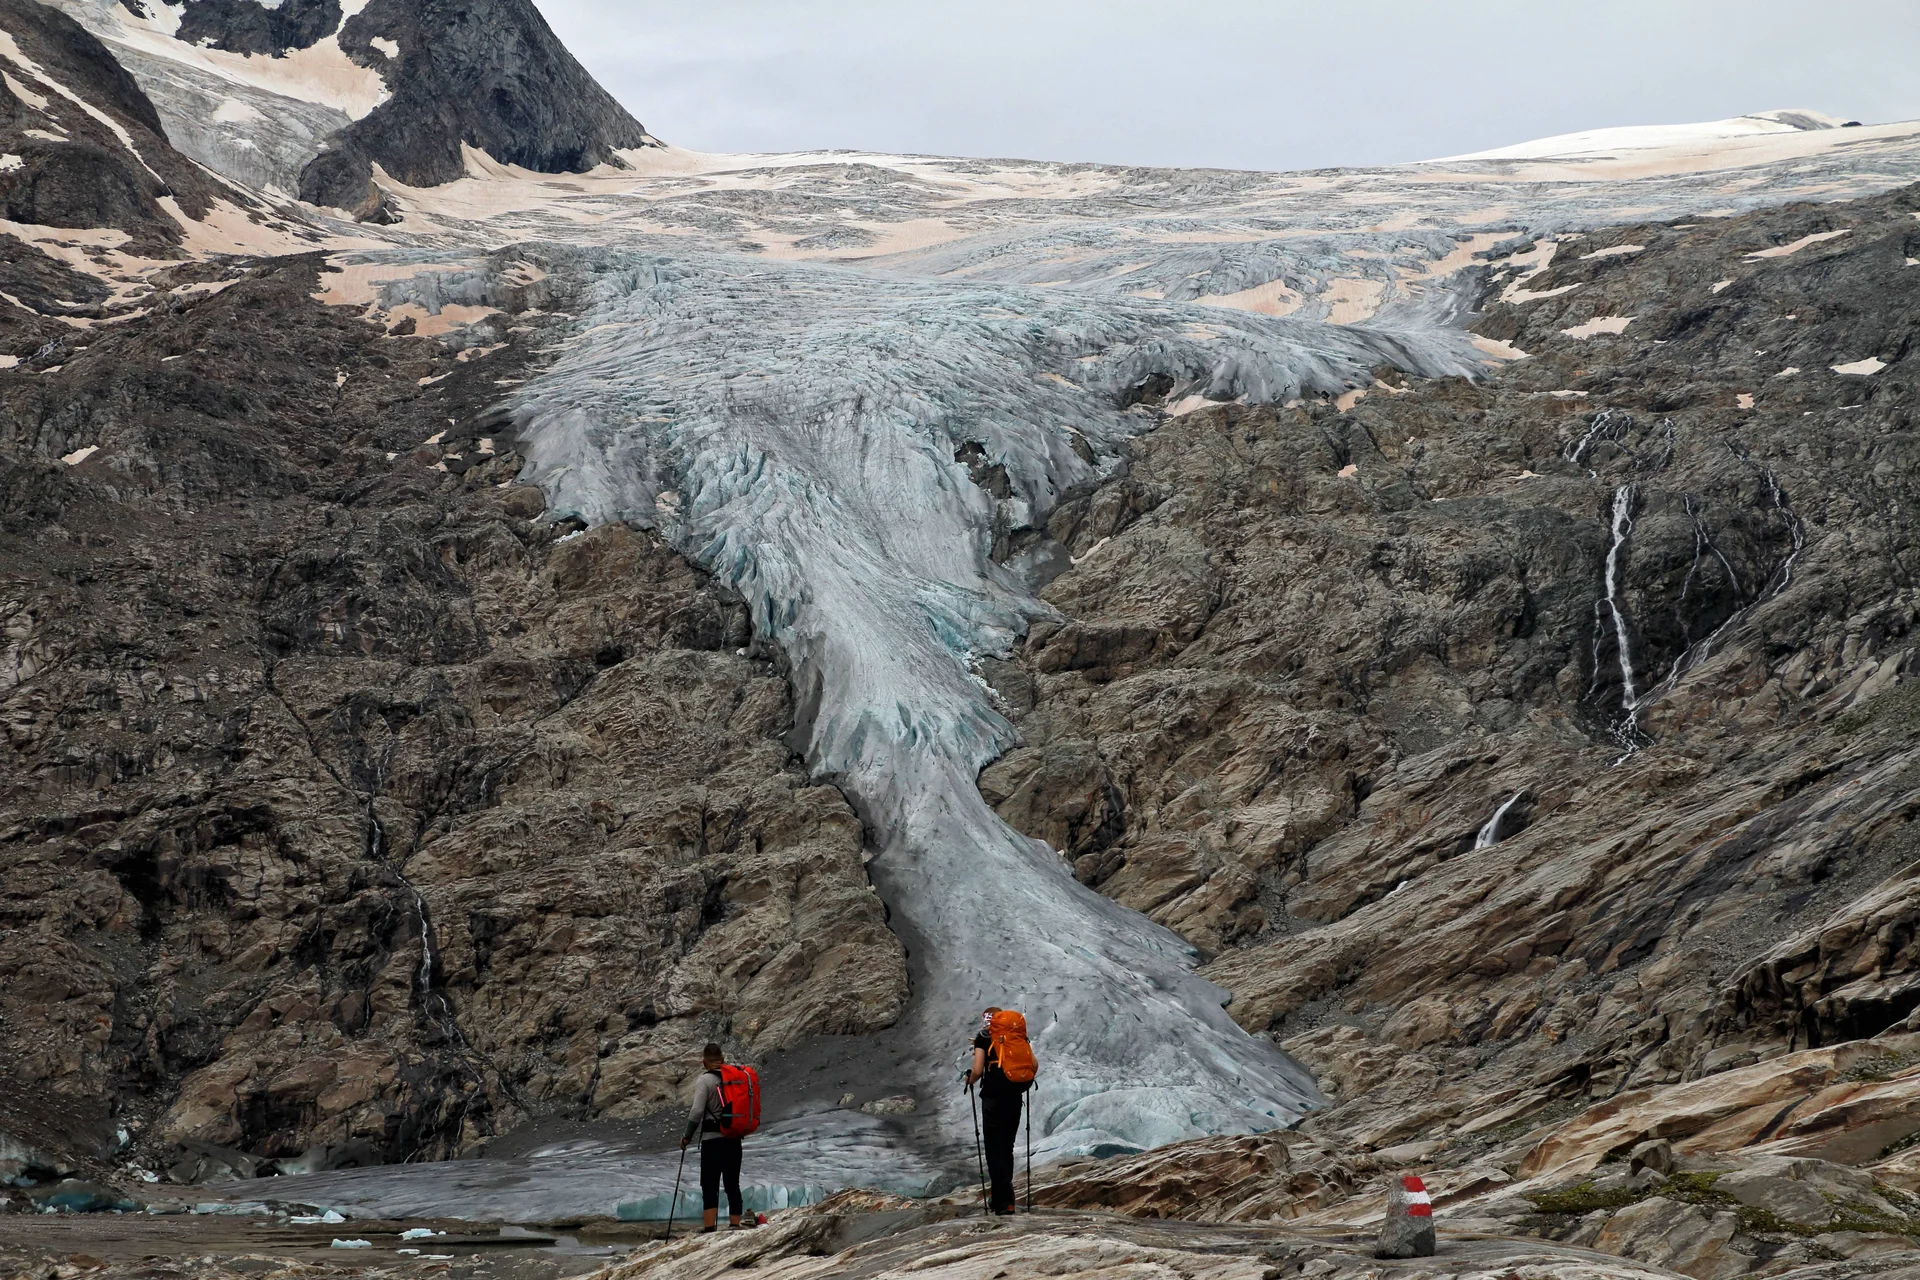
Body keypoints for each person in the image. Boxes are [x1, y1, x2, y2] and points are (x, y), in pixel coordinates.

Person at [680, 1042, 749, 1231]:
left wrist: (687, 1136)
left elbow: (696, 1111)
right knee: (732, 1183)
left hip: (712, 1140)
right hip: (734, 1138)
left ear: (704, 1062)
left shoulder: (705, 1080)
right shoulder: (735, 1078)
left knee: (709, 1183)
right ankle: (735, 1224)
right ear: (723, 1059)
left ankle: (710, 1228)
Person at [964, 1006, 1027, 1214]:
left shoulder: (983, 1037)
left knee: (993, 1150)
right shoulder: (1018, 1037)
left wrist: (969, 1079)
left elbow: (978, 1071)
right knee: (1006, 1148)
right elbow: (1033, 1064)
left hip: (993, 1100)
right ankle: (1008, 1199)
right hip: (1014, 1098)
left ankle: (1001, 1201)